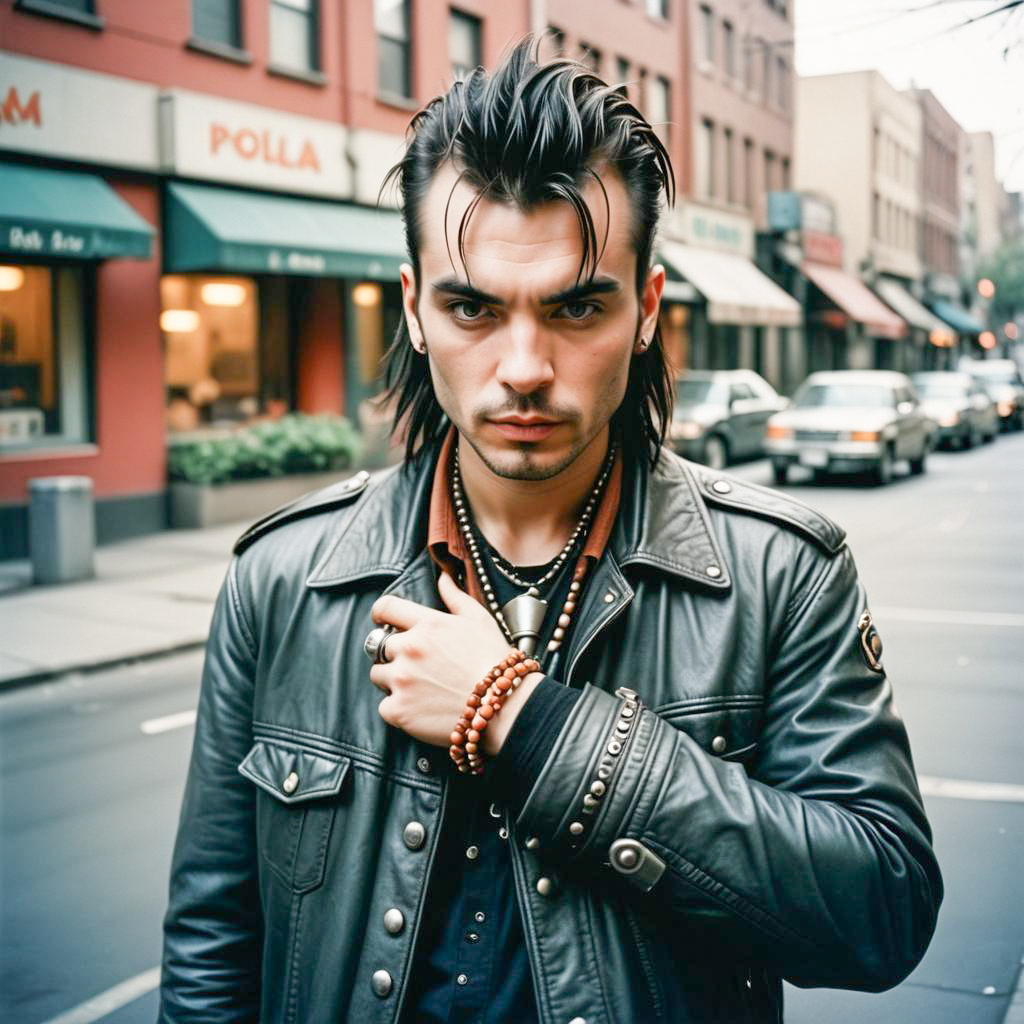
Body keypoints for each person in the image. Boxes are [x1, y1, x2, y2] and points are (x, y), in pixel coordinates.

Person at [160, 39, 941, 1024]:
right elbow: (210, 953)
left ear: (646, 309)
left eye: (575, 306)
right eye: (472, 306)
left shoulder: (781, 573)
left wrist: (524, 721)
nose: (523, 366)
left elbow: (881, 911)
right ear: (413, 308)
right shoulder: (281, 579)